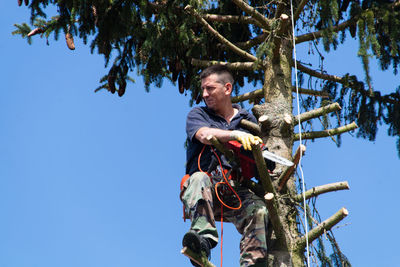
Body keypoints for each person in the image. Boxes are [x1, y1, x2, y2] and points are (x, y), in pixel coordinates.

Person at [180, 64, 269, 267]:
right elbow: (204, 134)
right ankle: (202, 241)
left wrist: (261, 154)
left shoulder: (246, 120)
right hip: (205, 190)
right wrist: (233, 135)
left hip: (234, 190)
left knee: (260, 211)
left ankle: (253, 262)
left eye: (209, 88)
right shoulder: (198, 114)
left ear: (227, 88)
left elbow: (256, 158)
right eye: (203, 89)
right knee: (198, 178)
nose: (204, 94)